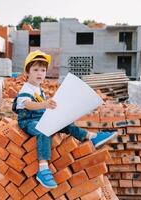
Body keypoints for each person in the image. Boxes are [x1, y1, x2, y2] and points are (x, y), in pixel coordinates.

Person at [13, 50, 117, 189]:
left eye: (43, 70)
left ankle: (91, 136)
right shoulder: (27, 89)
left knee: (66, 124)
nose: (39, 73)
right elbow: (27, 104)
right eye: (35, 69)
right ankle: (43, 169)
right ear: (27, 72)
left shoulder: (39, 90)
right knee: (44, 131)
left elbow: (43, 108)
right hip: (28, 121)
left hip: (40, 117)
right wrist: (44, 104)